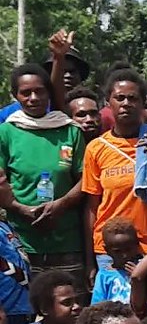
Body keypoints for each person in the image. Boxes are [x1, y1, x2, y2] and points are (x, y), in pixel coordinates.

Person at [82, 68, 147, 282]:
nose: (126, 103)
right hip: (111, 250)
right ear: (108, 102)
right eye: (119, 98)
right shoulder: (96, 148)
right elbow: (92, 207)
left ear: (141, 104)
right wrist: (91, 260)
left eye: (133, 98)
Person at [0, 61, 86, 296]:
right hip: (21, 243)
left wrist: (61, 205)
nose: (33, 98)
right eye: (25, 93)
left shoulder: (71, 131)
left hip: (67, 240)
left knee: (70, 308)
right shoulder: (6, 132)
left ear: (49, 92)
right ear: (15, 95)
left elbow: (86, 180)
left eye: (39, 91)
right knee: (25, 309)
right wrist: (20, 208)